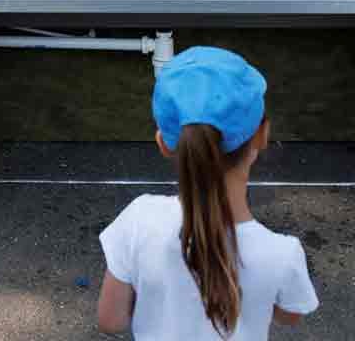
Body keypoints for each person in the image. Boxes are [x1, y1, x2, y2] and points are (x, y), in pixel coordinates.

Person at [97, 47, 319, 339]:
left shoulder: (139, 219)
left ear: (164, 143)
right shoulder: (282, 254)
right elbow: (289, 316)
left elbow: (110, 321)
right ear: (262, 135)